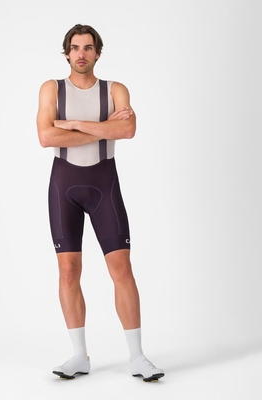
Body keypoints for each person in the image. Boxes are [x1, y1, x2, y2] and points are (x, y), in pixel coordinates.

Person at [36, 24, 164, 382]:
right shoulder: (52, 88)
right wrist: (102, 126)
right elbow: (46, 136)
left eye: (88, 47)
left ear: (98, 53)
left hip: (104, 185)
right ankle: (79, 356)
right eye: (75, 47)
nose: (82, 53)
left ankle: (138, 357)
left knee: (121, 268)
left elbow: (127, 130)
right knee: (68, 271)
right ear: (67, 53)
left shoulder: (115, 90)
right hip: (64, 187)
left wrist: (73, 124)